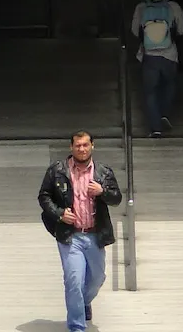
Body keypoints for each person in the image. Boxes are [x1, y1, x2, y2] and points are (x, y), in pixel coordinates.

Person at [37, 131, 122, 332]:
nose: (81, 149)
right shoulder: (58, 170)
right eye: (77, 146)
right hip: (70, 235)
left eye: (85, 145)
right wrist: (59, 214)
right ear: (71, 147)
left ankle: (83, 302)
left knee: (97, 278)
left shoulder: (103, 172)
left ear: (93, 146)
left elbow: (116, 198)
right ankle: (77, 326)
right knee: (73, 280)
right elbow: (44, 196)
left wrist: (103, 192)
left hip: (94, 234)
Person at [132, 0, 183, 137]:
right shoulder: (173, 6)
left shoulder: (141, 7)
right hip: (170, 55)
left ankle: (155, 128)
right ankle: (164, 114)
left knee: (150, 92)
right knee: (169, 84)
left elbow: (134, 31)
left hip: (149, 56)